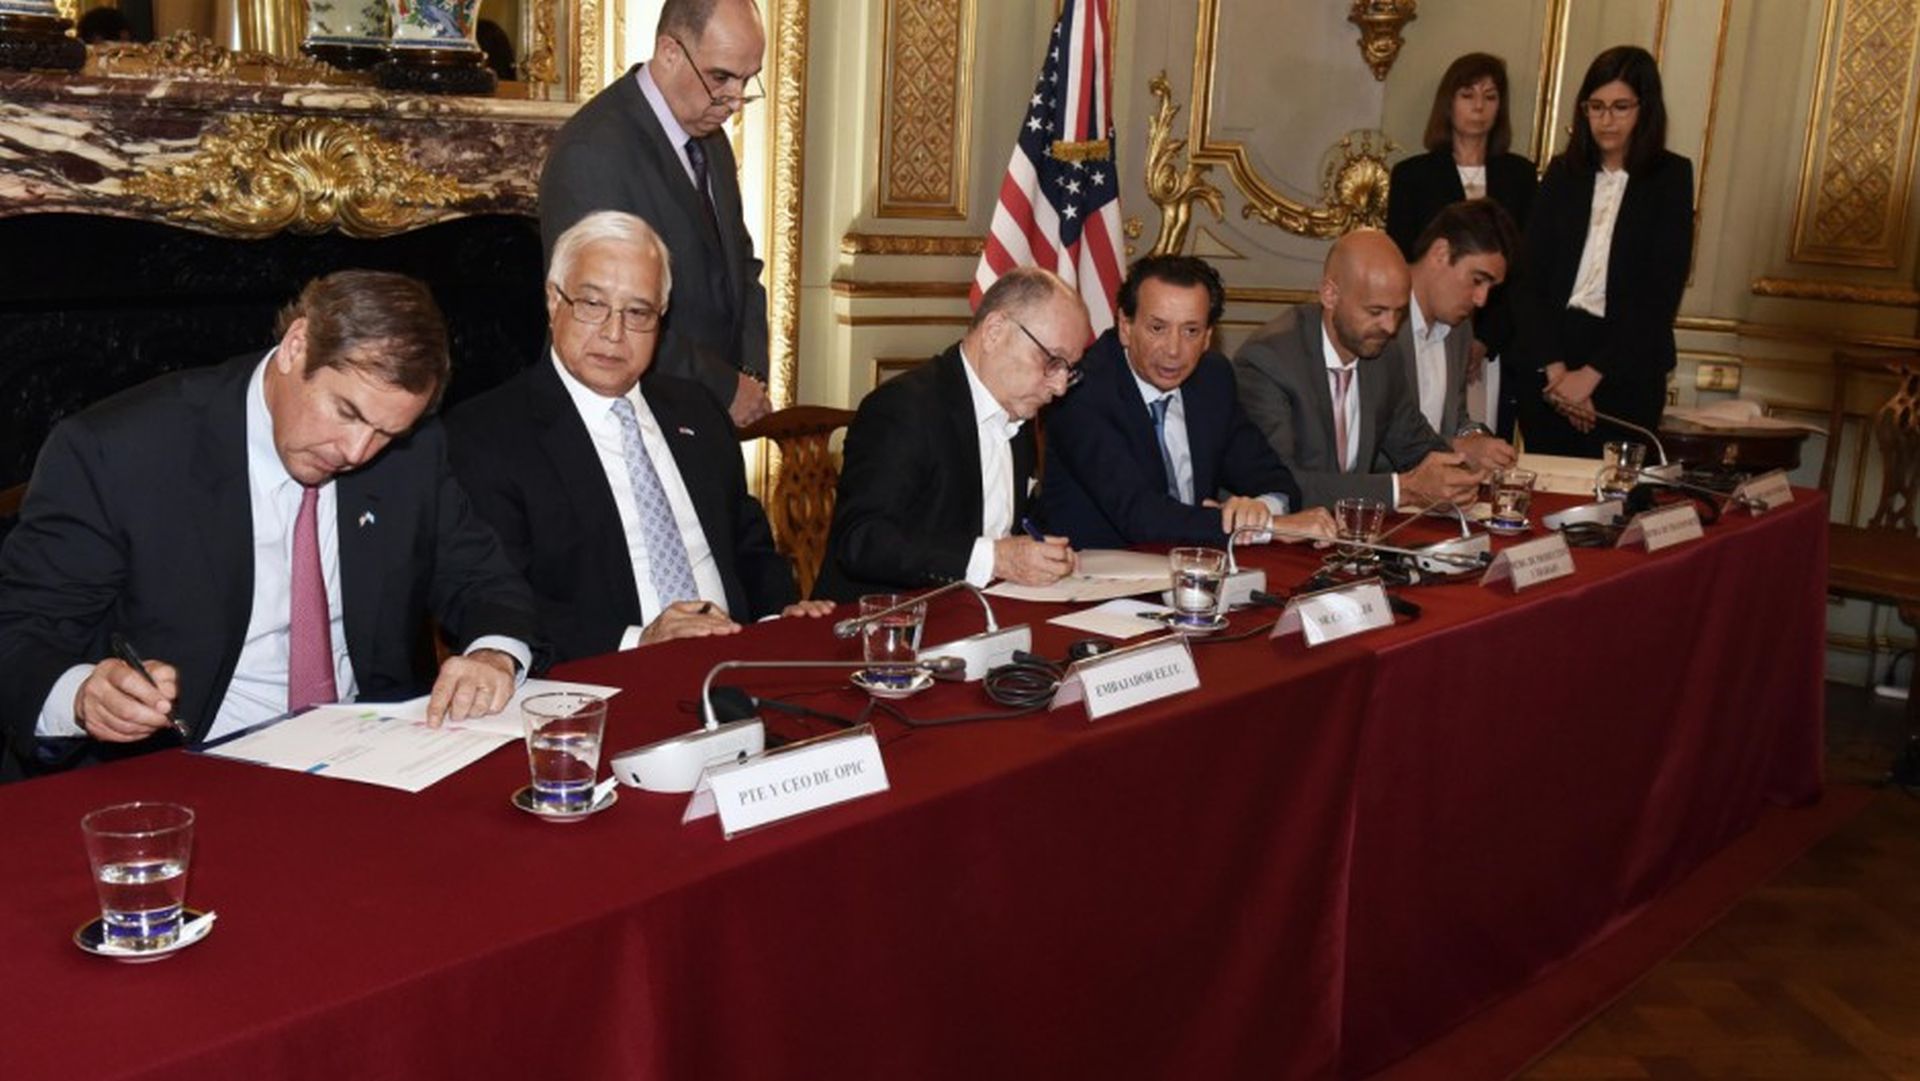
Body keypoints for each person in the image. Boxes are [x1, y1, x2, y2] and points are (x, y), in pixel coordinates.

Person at [0, 271, 539, 779]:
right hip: (182, 769)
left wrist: (492, 655)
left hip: (367, 760)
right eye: (347, 412)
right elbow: (23, 634)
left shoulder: (412, 451)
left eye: (386, 433)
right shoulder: (118, 452)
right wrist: (82, 695)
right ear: (296, 346)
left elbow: (485, 581)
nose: (357, 452)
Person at [448, 212, 829, 664]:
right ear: (553, 301)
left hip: (738, 662)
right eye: (593, 304)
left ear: (661, 318)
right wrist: (640, 640)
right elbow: (498, 600)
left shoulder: (696, 409)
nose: (614, 334)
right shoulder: (488, 433)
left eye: (637, 312)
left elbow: (749, 547)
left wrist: (778, 616)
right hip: (606, 677)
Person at [538, 0, 772, 429]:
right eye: (721, 77)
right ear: (669, 52)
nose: (735, 100)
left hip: (704, 420)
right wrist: (725, 388)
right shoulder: (593, 151)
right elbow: (603, 312)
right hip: (622, 418)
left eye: (747, 79)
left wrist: (749, 377)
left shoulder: (711, 138)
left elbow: (741, 267)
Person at [813, 267, 1088, 603]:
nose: (1059, 387)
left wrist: (1043, 554)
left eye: (1068, 370)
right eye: (1052, 361)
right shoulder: (904, 407)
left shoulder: (1018, 410)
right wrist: (995, 559)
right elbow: (863, 540)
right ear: (994, 332)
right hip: (884, 619)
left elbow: (1007, 525)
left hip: (975, 613)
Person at [1039, 255, 1335, 549]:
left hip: (1192, 565)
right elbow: (1141, 517)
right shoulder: (1081, 390)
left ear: (1207, 338)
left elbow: (1274, 480)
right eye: (1158, 328)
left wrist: (1258, 510)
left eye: (1191, 331)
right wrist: (1267, 527)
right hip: (1095, 568)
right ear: (1126, 327)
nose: (1174, 350)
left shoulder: (1212, 378)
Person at [1512, 45, 1694, 456]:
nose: (1606, 120)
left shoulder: (1670, 177)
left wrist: (1590, 376)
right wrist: (1558, 374)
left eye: (1620, 107)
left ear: (1646, 109)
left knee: (1615, 489)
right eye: (1596, 107)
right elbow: (1528, 280)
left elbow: (1660, 293)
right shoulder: (1562, 173)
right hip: (1551, 363)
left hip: (1625, 366)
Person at [1233, 230, 1481, 510]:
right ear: (1330, 295)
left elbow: (1414, 443)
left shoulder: (1383, 355)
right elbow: (1279, 483)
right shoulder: (1268, 360)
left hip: (1350, 529)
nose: (1390, 327)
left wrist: (1458, 476)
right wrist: (1404, 490)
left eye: (1399, 312)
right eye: (1376, 312)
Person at [1386, 52, 1537, 439]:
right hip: (1426, 328)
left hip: (1496, 338)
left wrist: (1484, 339)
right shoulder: (1414, 174)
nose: (1479, 107)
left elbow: (1521, 270)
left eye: (1490, 97)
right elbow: (1401, 257)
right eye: (1468, 95)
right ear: (1448, 102)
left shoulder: (1519, 175)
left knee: (1480, 433)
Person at [1389, 199, 1522, 474]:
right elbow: (1376, 440)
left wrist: (1475, 437)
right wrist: (1458, 449)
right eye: (1477, 280)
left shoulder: (1459, 330)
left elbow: (1455, 418)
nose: (1481, 300)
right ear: (1440, 253)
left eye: (1490, 288)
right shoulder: (1380, 321)